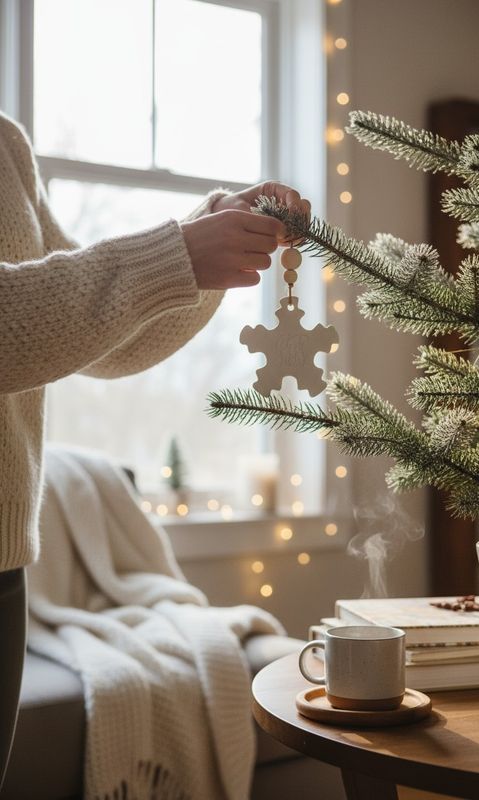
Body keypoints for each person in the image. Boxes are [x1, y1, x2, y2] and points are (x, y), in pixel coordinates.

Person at [0, 109, 310, 790]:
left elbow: (101, 340)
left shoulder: (5, 144)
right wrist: (176, 254)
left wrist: (209, 232)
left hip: (4, 562)